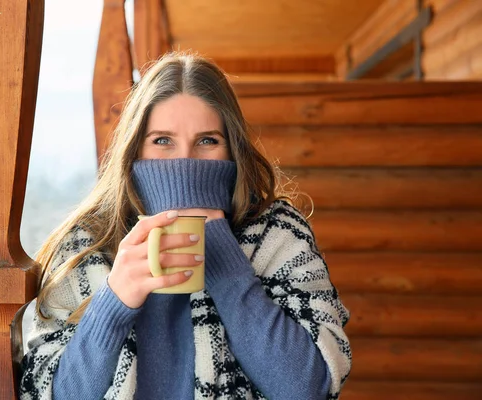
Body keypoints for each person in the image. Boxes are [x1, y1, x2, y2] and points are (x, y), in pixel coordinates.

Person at [19, 51, 351, 400]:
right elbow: (47, 392)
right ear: (135, 150)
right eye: (162, 140)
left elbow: (309, 388)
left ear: (231, 150)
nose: (184, 162)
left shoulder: (278, 234)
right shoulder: (87, 243)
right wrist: (112, 303)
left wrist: (225, 263)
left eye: (207, 141)